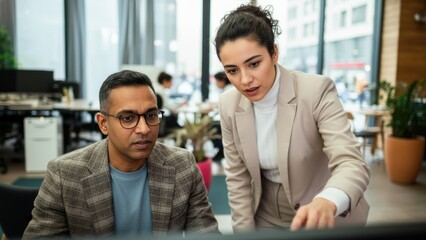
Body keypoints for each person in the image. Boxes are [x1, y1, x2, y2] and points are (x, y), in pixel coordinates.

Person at [214, 4, 370, 232]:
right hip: (266, 215)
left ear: (274, 53)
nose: (245, 79)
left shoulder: (315, 90)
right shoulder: (229, 104)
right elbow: (238, 179)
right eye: (232, 70)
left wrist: (328, 201)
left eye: (254, 64)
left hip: (324, 213)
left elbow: (351, 162)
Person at [23, 70, 219, 238]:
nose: (143, 129)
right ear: (103, 123)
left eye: (151, 115)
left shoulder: (182, 166)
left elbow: (206, 233)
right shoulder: (64, 174)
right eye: (128, 118)